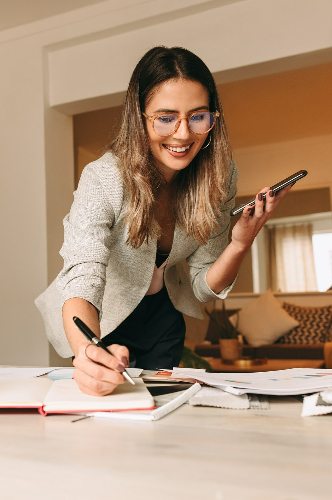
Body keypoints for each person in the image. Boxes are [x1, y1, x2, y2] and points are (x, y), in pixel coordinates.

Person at [55, 46, 292, 396]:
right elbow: (82, 278)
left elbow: (202, 285)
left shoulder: (219, 176)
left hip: (164, 315)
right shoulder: (103, 178)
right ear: (140, 117)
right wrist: (88, 352)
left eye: (198, 116)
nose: (183, 134)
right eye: (165, 117)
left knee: (166, 411)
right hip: (101, 317)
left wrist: (240, 243)